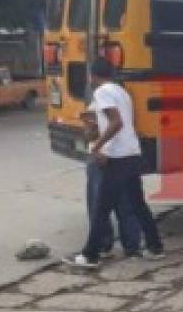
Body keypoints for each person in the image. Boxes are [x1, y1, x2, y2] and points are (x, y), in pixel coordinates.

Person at [63, 59, 165, 269]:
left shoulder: (102, 92)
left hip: (117, 158)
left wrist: (98, 146)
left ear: (92, 75)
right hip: (131, 153)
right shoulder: (121, 92)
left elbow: (116, 122)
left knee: (101, 208)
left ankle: (90, 255)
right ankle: (155, 247)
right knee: (138, 204)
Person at [80, 107, 141, 258]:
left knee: (98, 205)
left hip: (103, 159)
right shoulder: (124, 96)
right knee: (126, 203)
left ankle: (101, 246)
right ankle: (132, 246)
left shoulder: (99, 99)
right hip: (123, 158)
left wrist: (96, 147)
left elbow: (92, 133)